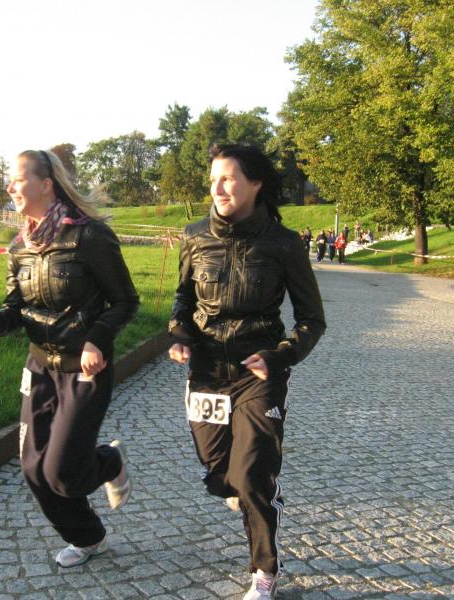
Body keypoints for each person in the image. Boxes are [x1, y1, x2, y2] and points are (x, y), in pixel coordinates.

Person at [168, 143, 326, 600]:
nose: (217, 189)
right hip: (206, 374)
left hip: (258, 375)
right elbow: (183, 302)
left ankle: (264, 570)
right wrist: (179, 335)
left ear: (255, 184)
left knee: (254, 474)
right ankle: (238, 485)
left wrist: (279, 356)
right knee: (221, 475)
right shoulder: (194, 237)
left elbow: (312, 320)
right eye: (212, 180)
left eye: (228, 179)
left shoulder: (284, 243)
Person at [0, 149, 140, 568]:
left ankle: (109, 461)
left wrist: (97, 340)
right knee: (34, 470)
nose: (9, 186)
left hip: (84, 369)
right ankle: (88, 538)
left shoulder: (89, 236)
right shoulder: (20, 246)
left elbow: (125, 301)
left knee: (62, 471)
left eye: (17, 179)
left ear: (45, 184)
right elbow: (15, 307)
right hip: (39, 368)